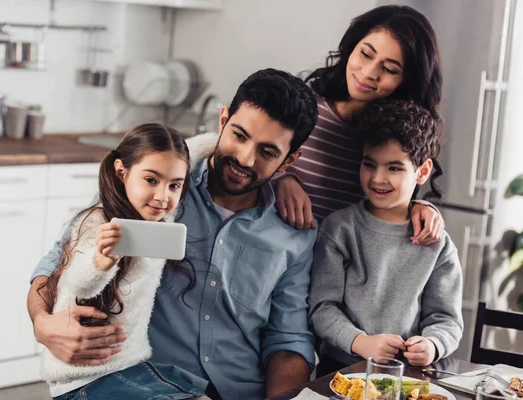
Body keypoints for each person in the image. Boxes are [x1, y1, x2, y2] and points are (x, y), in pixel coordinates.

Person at [28, 68, 320, 400]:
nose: (245, 158)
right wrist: (43, 324)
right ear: (222, 119)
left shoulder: (294, 234)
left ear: (289, 159)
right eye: (239, 135)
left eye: (268, 152)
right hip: (144, 382)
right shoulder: (154, 189)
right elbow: (53, 266)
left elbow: (288, 339)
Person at [38, 123, 207, 399]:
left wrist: (283, 175)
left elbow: (196, 148)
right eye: (151, 180)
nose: (162, 196)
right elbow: (79, 284)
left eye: (174, 185)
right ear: (121, 171)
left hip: (128, 364)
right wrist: (102, 262)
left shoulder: (162, 219)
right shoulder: (98, 223)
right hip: (82, 376)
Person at [308, 100, 463, 374]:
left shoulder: (438, 244)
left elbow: (446, 319)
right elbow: (322, 307)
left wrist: (433, 345)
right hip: (339, 371)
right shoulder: (339, 228)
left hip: (409, 378)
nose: (378, 178)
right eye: (369, 164)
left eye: (394, 168)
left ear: (422, 172)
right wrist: (360, 342)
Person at [275, 4, 445, 244]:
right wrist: (279, 179)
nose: (368, 73)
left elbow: (392, 197)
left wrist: (422, 209)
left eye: (388, 69)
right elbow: (244, 157)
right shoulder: (299, 103)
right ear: (351, 47)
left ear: (406, 81)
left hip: (336, 270)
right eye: (365, 54)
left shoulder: (392, 137)